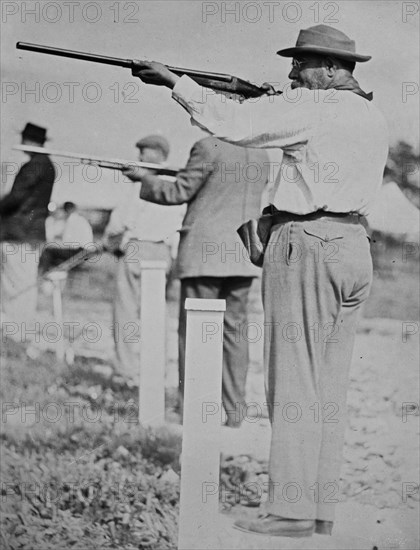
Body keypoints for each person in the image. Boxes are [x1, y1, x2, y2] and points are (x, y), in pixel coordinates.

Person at [130, 25, 389, 537]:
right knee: (326, 390)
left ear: (333, 70)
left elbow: (235, 122)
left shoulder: (318, 106)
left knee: (293, 383)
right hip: (354, 247)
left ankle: (289, 513)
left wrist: (174, 83)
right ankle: (316, 511)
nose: (291, 74)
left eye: (301, 64)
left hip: (309, 244)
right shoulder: (371, 114)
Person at [124, 136, 270, 425]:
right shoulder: (261, 154)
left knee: (194, 335)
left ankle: (192, 410)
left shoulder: (207, 146)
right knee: (235, 336)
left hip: (204, 253)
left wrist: (145, 178)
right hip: (243, 253)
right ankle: (234, 412)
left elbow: (180, 192)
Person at [103, 135, 185, 386]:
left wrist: (108, 242)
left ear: (157, 154)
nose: (139, 156)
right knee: (156, 314)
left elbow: (121, 221)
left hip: (139, 248)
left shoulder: (141, 183)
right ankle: (155, 372)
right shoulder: (175, 183)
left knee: (126, 312)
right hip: (164, 252)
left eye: (143, 151)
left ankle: (124, 372)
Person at [0, 123, 56, 341]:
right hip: (32, 234)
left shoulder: (33, 165)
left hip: (19, 234)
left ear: (28, 141)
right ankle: (20, 332)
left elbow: (16, 198)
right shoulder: (48, 166)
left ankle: (16, 333)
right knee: (24, 283)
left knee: (15, 285)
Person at [40, 201, 94, 272]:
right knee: (51, 250)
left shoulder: (72, 220)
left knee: (48, 251)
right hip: (85, 251)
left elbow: (71, 244)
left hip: (81, 251)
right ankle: (49, 273)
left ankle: (43, 274)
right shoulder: (80, 219)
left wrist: (55, 245)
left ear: (66, 210)